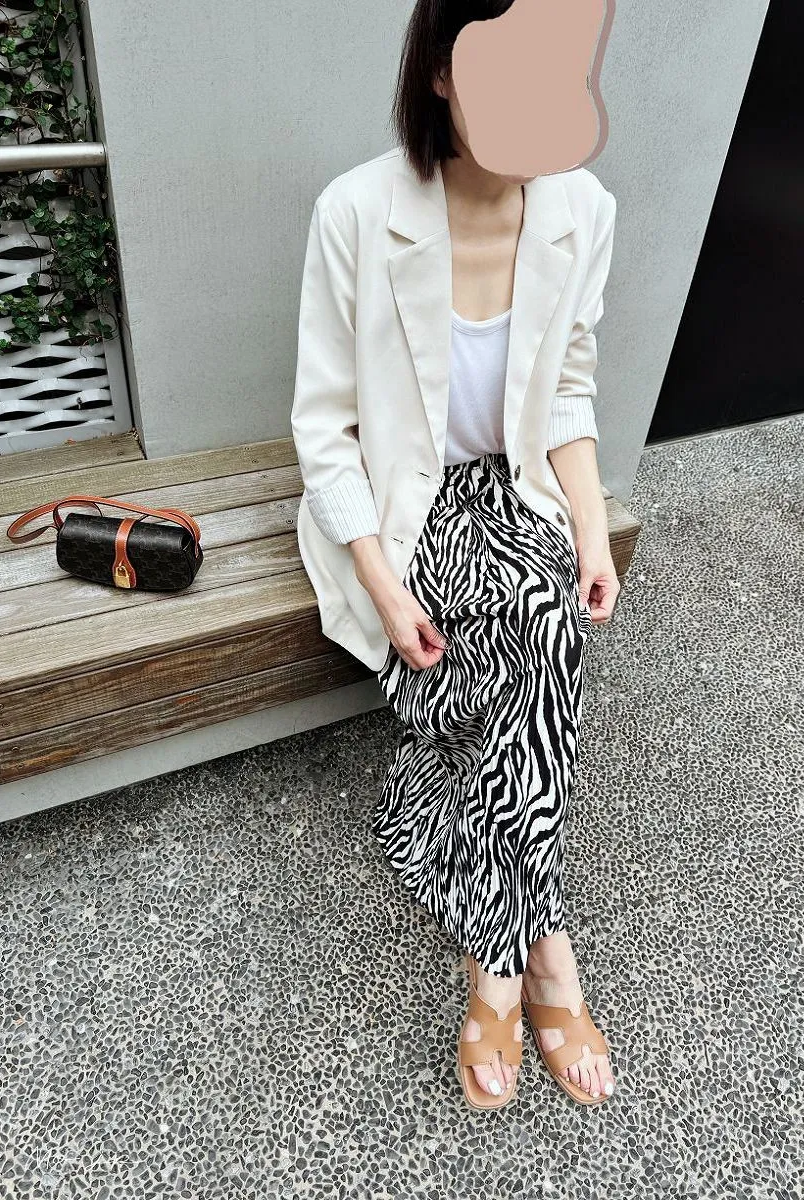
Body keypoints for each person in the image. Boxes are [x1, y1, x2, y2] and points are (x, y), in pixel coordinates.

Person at [290, 0, 619, 1110]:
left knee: (546, 621)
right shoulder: (357, 211)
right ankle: (543, 954)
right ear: (441, 73)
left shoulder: (583, 210)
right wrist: (382, 585)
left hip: (511, 489)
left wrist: (589, 531)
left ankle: (500, 958)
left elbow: (568, 390)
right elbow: (323, 429)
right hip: (399, 504)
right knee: (529, 635)